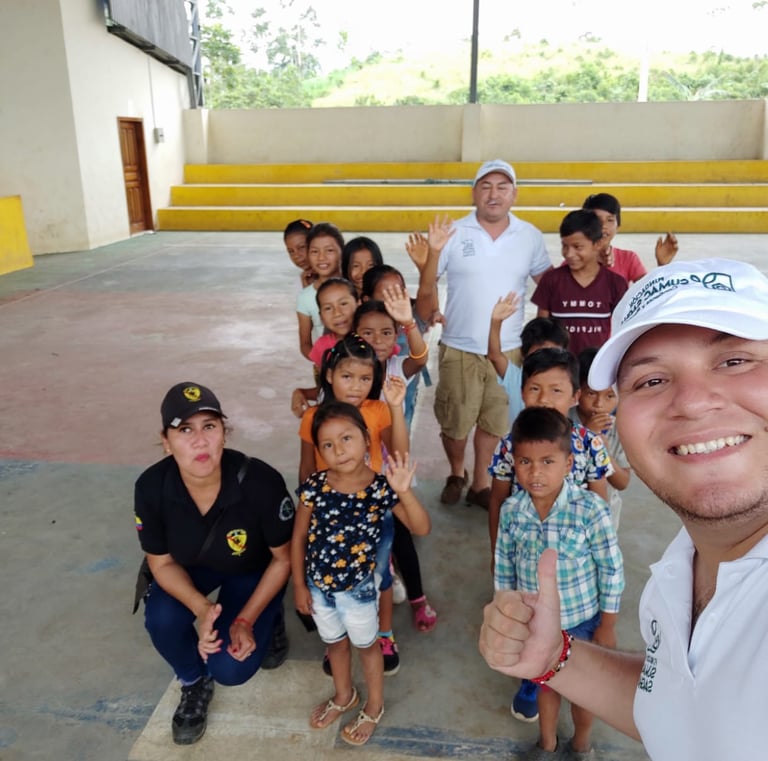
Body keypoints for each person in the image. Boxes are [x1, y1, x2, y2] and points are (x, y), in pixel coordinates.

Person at [479, 258, 768, 760]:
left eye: (734, 361)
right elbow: (679, 706)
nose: (692, 402)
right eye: (651, 381)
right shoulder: (678, 569)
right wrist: (555, 658)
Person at [134, 382, 295, 745]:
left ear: (224, 433)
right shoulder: (151, 488)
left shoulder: (261, 482)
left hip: (252, 568)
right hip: (192, 567)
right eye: (184, 430)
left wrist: (244, 621)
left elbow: (283, 558)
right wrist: (202, 609)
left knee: (231, 668)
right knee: (161, 617)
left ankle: (269, 616)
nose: (200, 441)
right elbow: (161, 564)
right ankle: (193, 681)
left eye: (209, 426)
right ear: (166, 441)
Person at [292, 401, 431, 746]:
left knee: (368, 647)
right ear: (319, 450)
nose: (339, 450)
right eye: (328, 444)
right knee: (335, 644)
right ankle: (344, 696)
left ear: (366, 438)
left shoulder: (381, 488)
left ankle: (374, 705)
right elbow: (298, 538)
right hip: (319, 588)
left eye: (346, 438)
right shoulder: (314, 486)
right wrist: (299, 585)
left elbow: (421, 528)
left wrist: (404, 491)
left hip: (359, 592)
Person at [495, 406, 624, 760]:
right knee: (547, 685)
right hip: (538, 623)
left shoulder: (590, 509)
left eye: (547, 461)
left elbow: (611, 568)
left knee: (584, 693)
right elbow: (504, 565)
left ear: (568, 464)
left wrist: (608, 624)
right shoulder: (512, 511)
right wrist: (508, 611)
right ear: (514, 463)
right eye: (525, 462)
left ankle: (581, 745)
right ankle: (547, 743)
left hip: (583, 622)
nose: (535, 472)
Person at [425, 161, 553, 509]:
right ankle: (456, 472)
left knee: (495, 422)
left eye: (502, 186)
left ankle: (481, 482)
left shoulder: (529, 236)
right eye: (486, 186)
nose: (493, 194)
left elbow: (549, 285)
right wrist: (433, 307)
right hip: (459, 346)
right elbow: (429, 279)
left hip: (509, 349)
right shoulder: (454, 231)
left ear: (514, 194)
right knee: (454, 422)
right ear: (474, 193)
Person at [298, 334, 409, 674]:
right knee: (330, 576)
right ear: (329, 375)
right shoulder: (313, 416)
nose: (357, 386)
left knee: (381, 574)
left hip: (372, 511)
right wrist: (307, 507)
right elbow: (306, 466)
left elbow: (399, 454)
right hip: (328, 512)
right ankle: (337, 640)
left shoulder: (377, 411)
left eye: (365, 378)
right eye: (348, 376)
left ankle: (383, 633)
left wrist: (396, 407)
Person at [353, 292, 438, 633]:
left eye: (386, 332)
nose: (377, 340)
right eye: (368, 332)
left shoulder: (394, 367)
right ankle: (381, 583)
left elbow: (420, 356)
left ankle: (417, 596)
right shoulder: (347, 368)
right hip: (353, 472)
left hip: (388, 467)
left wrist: (408, 322)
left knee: (401, 533)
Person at [532, 209, 628, 357]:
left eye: (577, 247)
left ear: (598, 243)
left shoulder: (615, 284)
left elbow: (623, 330)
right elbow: (541, 330)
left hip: (595, 365)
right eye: (565, 246)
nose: (569, 254)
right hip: (560, 365)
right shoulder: (551, 280)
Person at [572, 347, 631, 530]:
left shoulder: (620, 429)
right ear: (578, 391)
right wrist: (586, 435)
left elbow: (622, 483)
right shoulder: (563, 421)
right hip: (567, 514)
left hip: (605, 517)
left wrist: (602, 450)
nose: (599, 404)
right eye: (591, 393)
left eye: (610, 396)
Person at [488, 296, 570, 427]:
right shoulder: (516, 377)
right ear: (524, 355)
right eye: (535, 389)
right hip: (521, 439)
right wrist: (495, 321)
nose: (546, 360)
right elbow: (494, 356)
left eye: (552, 353)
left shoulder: (567, 380)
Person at [582, 193, 678, 283]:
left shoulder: (628, 258)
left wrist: (663, 266)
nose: (604, 226)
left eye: (610, 220)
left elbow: (645, 290)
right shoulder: (576, 259)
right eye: (597, 220)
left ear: (618, 227)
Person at [296, 223, 345, 361]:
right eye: (314, 251)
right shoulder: (305, 297)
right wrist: (324, 363)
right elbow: (305, 344)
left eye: (329, 250)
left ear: (342, 252)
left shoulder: (353, 288)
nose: (321, 258)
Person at [307, 277, 360, 369]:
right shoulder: (321, 346)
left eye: (343, 304)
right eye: (328, 308)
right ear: (321, 317)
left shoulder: (371, 338)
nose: (337, 313)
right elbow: (322, 375)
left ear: (358, 304)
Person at [283, 218, 315, 288]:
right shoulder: (301, 281)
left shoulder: (336, 276)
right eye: (291, 251)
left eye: (301, 247)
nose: (296, 256)